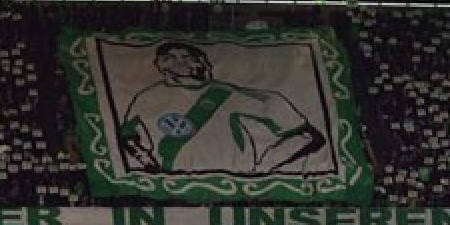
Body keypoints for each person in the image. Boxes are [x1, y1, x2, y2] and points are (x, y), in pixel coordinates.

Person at [119, 41, 326, 174]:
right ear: (159, 64)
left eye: (186, 57)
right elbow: (127, 136)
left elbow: (308, 136)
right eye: (170, 58)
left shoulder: (227, 94)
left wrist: (264, 167)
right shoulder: (146, 98)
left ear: (203, 63)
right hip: (175, 187)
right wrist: (147, 161)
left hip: (230, 187)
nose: (179, 63)